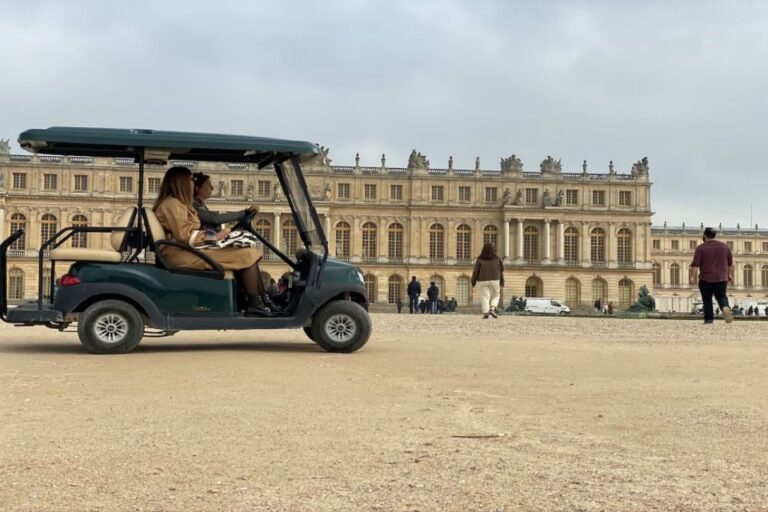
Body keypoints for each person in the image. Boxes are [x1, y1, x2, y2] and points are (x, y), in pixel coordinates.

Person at [153, 166, 277, 315]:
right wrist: (216, 237)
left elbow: (188, 233)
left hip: (188, 250)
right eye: (191, 179)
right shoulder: (172, 204)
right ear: (182, 182)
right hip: (181, 254)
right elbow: (185, 235)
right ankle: (255, 304)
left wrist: (218, 237)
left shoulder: (176, 203)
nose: (193, 183)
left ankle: (261, 300)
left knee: (247, 253)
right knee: (248, 255)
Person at [689, 227, 733, 324]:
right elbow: (729, 263)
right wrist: (729, 275)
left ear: (704, 235)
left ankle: (709, 320)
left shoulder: (700, 248)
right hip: (721, 278)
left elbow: (696, 264)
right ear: (715, 235)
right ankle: (725, 307)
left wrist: (693, 277)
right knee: (721, 297)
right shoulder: (725, 247)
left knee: (707, 298)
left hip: (706, 278)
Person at [192, 172, 258, 233]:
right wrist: (243, 213)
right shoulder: (194, 204)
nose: (212, 188)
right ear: (198, 188)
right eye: (208, 185)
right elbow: (214, 218)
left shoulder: (199, 203)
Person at [471, 242, 504, 319]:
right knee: (496, 295)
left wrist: (473, 282)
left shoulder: (479, 259)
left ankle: (486, 312)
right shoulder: (498, 258)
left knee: (484, 297)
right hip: (495, 279)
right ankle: (492, 309)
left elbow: (475, 271)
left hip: (482, 280)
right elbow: (502, 269)